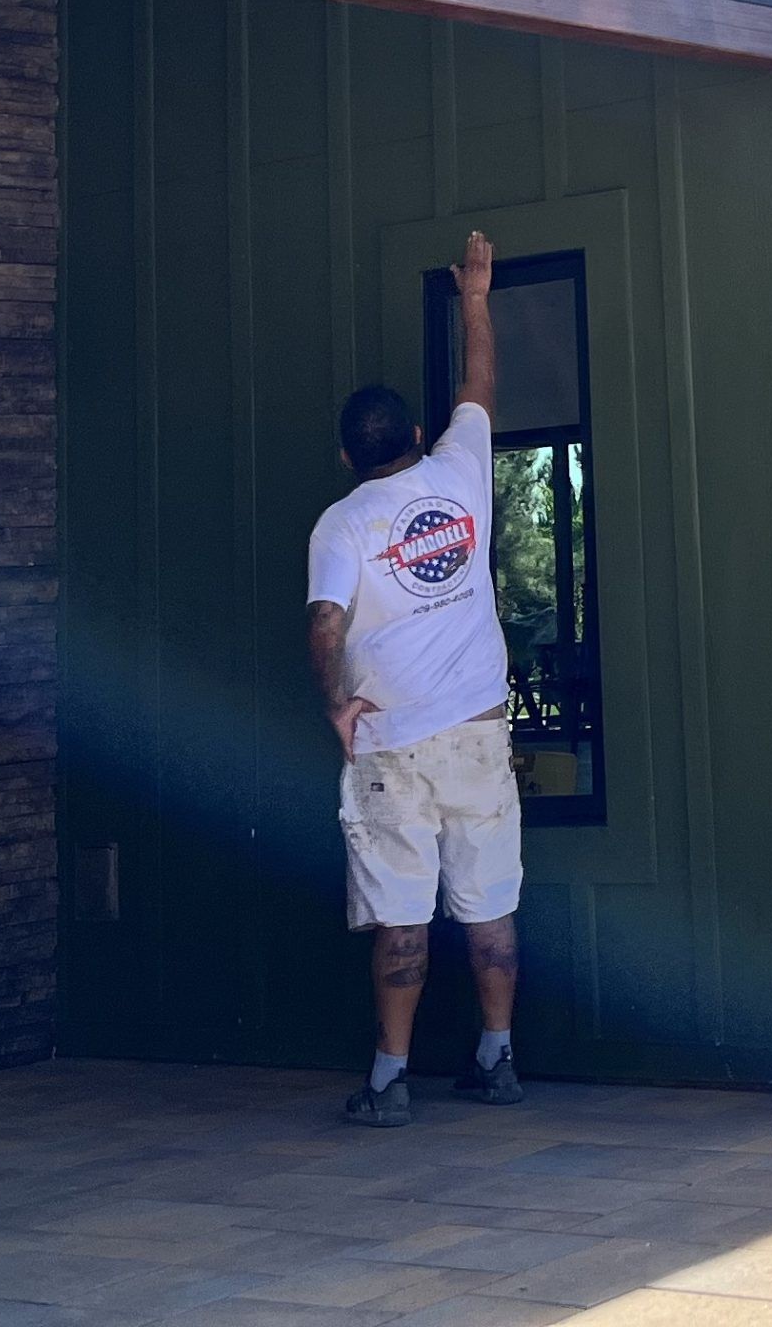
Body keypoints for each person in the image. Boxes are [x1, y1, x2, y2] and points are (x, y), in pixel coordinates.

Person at [306, 229, 526, 1125]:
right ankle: (496, 1060)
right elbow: (479, 387)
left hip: (392, 742)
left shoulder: (342, 524)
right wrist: (475, 297)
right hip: (478, 733)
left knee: (403, 917)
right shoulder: (461, 470)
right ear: (416, 437)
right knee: (489, 908)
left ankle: (390, 1081)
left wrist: (336, 703)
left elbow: (324, 624)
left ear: (350, 456)